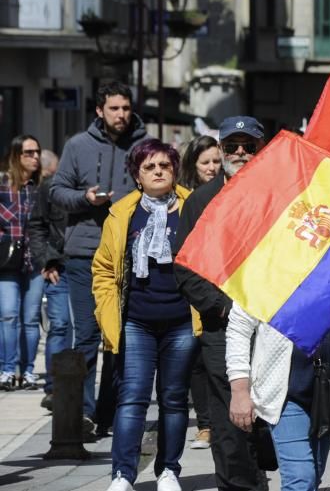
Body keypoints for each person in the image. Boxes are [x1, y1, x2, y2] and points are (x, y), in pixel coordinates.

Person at [92, 139, 199, 491]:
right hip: (136, 320)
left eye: (164, 166)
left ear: (174, 171)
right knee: (133, 398)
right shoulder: (122, 213)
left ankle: (168, 470)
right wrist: (108, 315)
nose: (157, 172)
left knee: (173, 398)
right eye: (149, 167)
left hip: (181, 321)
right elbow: (105, 269)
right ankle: (122, 474)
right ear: (137, 175)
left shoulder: (192, 207)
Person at [174, 116, 269, 491]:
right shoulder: (200, 201)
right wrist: (222, 308)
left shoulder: (281, 192)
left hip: (274, 323)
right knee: (230, 425)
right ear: (221, 149)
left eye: (249, 146)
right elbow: (184, 266)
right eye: (232, 146)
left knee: (273, 418)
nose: (240, 153)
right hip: (223, 325)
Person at [49, 81, 147, 433]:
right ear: (99, 111)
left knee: (120, 337)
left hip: (131, 253)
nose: (121, 115)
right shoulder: (77, 146)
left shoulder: (144, 145)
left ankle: (109, 413)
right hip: (85, 254)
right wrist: (85, 199)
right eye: (114, 109)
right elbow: (57, 192)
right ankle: (85, 413)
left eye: (125, 108)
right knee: (87, 336)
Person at [227, 282, 330, 491]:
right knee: (301, 479)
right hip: (286, 393)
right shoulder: (267, 266)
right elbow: (239, 327)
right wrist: (239, 390)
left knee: (313, 475)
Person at [177, 135, 222, 449]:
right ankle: (204, 423)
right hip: (187, 291)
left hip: (214, 289)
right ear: (193, 165)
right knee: (194, 361)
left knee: (210, 360)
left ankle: (212, 422)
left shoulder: (224, 193)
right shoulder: (183, 199)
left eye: (216, 161)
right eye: (205, 162)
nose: (211, 167)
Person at [28, 148, 70, 408]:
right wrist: (44, 261)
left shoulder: (93, 190)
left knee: (86, 332)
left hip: (89, 269)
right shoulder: (49, 189)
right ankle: (54, 388)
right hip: (59, 268)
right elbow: (36, 226)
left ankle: (80, 390)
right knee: (60, 325)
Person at [0, 135, 42, 390]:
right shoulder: (3, 184)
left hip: (34, 262)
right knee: (7, 315)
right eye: (29, 152)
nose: (35, 157)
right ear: (16, 155)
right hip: (5, 261)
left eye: (37, 152)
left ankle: (27, 371)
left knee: (31, 318)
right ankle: (6, 369)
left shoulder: (41, 187)